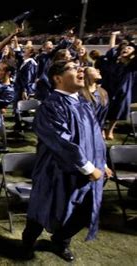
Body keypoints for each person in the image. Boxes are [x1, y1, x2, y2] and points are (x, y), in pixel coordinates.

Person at [22, 60, 113, 261]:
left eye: (80, 67)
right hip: (54, 172)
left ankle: (60, 241)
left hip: (86, 172)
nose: (81, 70)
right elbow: (60, 141)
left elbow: (95, 136)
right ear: (58, 78)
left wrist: (102, 164)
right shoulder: (51, 105)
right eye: (73, 68)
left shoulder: (82, 102)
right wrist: (88, 167)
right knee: (41, 210)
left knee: (83, 211)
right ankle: (27, 244)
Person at [80, 67, 109, 134]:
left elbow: (103, 115)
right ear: (87, 75)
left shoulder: (103, 92)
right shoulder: (80, 93)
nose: (98, 71)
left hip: (96, 129)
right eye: (93, 70)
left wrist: (101, 130)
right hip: (83, 129)